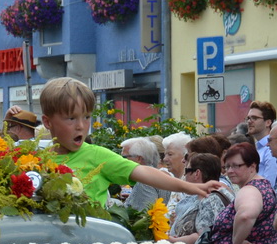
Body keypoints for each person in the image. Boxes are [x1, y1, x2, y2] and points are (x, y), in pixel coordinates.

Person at [34, 77, 211, 208]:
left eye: (87, 117)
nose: (81, 126)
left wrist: (190, 187)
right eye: (71, 119)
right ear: (48, 122)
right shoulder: (32, 161)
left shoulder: (96, 155)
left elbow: (145, 173)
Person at [119, 136, 162, 212]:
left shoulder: (144, 181)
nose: (121, 161)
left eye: (124, 157)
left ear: (139, 158)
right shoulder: (155, 174)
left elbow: (142, 216)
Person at [245, 101, 277, 183]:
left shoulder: (271, 149)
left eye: (255, 118)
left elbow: (270, 185)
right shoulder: (258, 147)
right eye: (248, 118)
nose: (249, 121)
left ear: (268, 122)